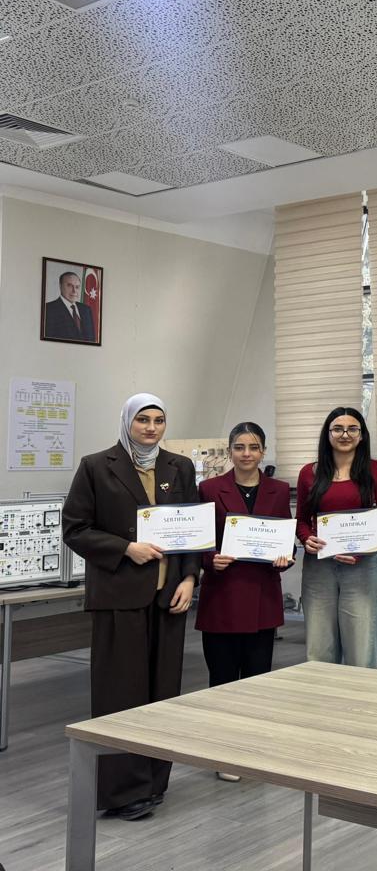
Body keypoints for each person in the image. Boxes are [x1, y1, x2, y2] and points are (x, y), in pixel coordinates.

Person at [62, 393, 199, 820]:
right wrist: (125, 548)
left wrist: (190, 578)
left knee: (163, 694)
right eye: (143, 420)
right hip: (119, 598)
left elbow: (193, 529)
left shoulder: (180, 467)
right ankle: (123, 792)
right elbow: (75, 528)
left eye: (159, 420)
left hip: (167, 598)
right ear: (127, 422)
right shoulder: (95, 466)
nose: (151, 428)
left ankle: (155, 783)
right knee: (120, 694)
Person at [196, 421, 292, 781]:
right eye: (239, 447)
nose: (246, 454)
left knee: (257, 679)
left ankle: (250, 750)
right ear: (230, 451)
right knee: (222, 678)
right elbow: (199, 540)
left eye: (253, 447)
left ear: (263, 452)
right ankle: (223, 753)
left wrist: (285, 557)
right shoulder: (209, 489)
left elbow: (285, 539)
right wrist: (210, 559)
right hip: (223, 596)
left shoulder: (279, 490)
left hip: (262, 595)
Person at [295, 407, 377, 668]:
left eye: (352, 429)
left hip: (360, 566)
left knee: (361, 647)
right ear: (327, 434)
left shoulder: (376, 471)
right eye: (338, 429)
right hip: (319, 567)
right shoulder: (309, 473)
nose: (345, 434)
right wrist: (306, 538)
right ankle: (323, 693)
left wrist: (362, 549)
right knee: (319, 648)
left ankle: (360, 694)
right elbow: (302, 520)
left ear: (362, 435)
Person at [43, 270, 95, 341]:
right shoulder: (48, 309)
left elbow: (92, 340)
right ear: (60, 286)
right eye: (69, 286)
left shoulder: (86, 310)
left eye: (77, 287)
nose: (74, 291)